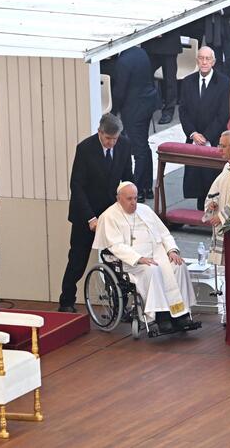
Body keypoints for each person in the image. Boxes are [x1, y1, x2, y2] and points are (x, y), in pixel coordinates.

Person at [93, 181, 197, 332]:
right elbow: (115, 246)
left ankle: (181, 314)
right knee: (152, 270)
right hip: (131, 261)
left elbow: (164, 233)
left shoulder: (145, 210)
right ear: (118, 198)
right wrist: (138, 258)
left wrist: (172, 251)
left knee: (178, 265)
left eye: (135, 198)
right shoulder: (109, 216)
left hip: (157, 254)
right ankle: (162, 316)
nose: (134, 202)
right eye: (129, 199)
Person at [59, 114, 134, 313]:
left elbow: (127, 179)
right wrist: (91, 218)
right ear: (100, 132)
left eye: (114, 139)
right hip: (86, 213)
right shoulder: (85, 149)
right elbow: (77, 186)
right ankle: (66, 300)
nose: (111, 143)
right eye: (108, 138)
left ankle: (120, 306)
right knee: (77, 259)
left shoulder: (124, 145)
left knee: (116, 260)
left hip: (112, 213)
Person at [179, 46, 230, 211]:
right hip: (194, 138)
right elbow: (183, 111)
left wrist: (206, 136)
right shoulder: (188, 82)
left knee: (212, 180)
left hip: (214, 139)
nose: (204, 62)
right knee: (197, 179)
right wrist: (194, 134)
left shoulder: (224, 83)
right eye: (201, 58)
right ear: (197, 60)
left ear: (213, 62)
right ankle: (200, 212)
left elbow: (223, 114)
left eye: (207, 58)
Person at [111, 46, 157, 203]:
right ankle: (147, 187)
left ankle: (138, 189)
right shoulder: (140, 52)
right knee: (143, 145)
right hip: (147, 103)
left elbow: (119, 91)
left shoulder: (122, 62)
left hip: (134, 107)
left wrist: (113, 111)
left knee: (138, 149)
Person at [203, 130, 230, 265]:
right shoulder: (227, 166)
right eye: (219, 145)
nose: (219, 149)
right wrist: (213, 203)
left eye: (223, 146)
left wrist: (221, 217)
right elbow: (216, 191)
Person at [143, 29, 181, 125]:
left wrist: (163, 31)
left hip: (169, 41)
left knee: (170, 80)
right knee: (145, 77)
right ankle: (149, 106)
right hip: (151, 41)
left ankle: (169, 110)